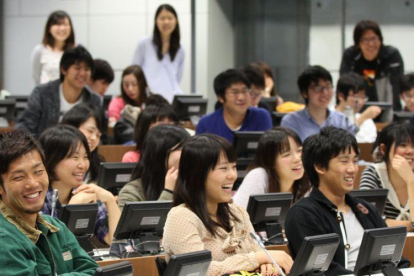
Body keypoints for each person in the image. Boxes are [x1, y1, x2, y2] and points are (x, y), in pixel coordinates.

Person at [285, 126, 410, 275]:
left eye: (355, 161)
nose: (352, 169)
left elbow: (395, 259)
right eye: (344, 161)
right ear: (320, 167)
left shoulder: (365, 209)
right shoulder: (303, 214)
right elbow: (323, 270)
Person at [162, 134, 293, 276]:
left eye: (234, 167)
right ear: (197, 174)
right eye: (223, 168)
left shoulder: (238, 212)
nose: (232, 175)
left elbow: (259, 253)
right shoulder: (181, 217)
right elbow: (199, 270)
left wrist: (267, 265)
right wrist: (257, 259)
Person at [0, 129, 98, 275]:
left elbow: (93, 270)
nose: (33, 184)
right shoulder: (3, 239)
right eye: (19, 177)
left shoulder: (56, 227)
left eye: (38, 171)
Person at [39, 125, 120, 245]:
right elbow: (50, 248)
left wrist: (109, 200)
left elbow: (115, 241)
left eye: (86, 157)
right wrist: (73, 209)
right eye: (75, 157)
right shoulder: (37, 198)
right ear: (52, 160)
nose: (82, 165)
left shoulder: (85, 193)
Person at [17, 45, 101, 137]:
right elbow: (24, 127)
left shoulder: (94, 100)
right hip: (43, 148)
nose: (82, 73)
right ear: (64, 69)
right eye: (77, 68)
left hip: (80, 150)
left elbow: (98, 133)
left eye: (87, 69)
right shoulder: (42, 94)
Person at [233, 127, 310, 209]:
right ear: (271, 161)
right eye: (287, 154)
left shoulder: (308, 180)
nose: (297, 158)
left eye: (299, 151)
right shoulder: (258, 176)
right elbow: (238, 217)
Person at [118, 125, 190, 211]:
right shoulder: (131, 192)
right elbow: (149, 224)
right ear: (160, 153)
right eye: (182, 149)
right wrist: (169, 192)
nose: (188, 153)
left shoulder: (189, 184)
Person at [359, 121, 414, 230]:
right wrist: (410, 225)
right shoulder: (373, 173)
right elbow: (367, 220)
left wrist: (410, 181)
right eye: (403, 145)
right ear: (384, 149)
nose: (410, 151)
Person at [281, 65, 358, 142]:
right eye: (317, 88)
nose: (324, 93)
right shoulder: (291, 121)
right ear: (304, 93)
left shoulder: (341, 120)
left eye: (328, 87)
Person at [340, 20, 404, 110]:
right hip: (357, 108)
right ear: (358, 43)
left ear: (380, 39)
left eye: (374, 38)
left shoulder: (391, 55)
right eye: (365, 40)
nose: (371, 44)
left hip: (388, 107)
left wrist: (395, 115)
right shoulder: (351, 55)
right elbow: (343, 85)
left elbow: (397, 86)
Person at [196, 69, 273, 143]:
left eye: (244, 91)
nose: (241, 97)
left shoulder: (261, 117)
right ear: (220, 97)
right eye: (235, 92)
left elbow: (268, 152)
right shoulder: (206, 124)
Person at [132, 4, 184, 103]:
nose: (166, 22)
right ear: (156, 21)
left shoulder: (181, 48)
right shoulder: (144, 43)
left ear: (176, 21)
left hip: (171, 100)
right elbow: (134, 71)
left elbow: (177, 78)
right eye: (162, 18)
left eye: (170, 18)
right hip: (148, 99)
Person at [61, 103, 105, 183]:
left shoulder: (98, 164)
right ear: (72, 127)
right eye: (90, 131)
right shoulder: (57, 159)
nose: (94, 138)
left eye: (98, 135)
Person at [31, 10, 75, 85]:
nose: (62, 28)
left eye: (65, 24)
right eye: (57, 24)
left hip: (69, 95)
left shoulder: (76, 51)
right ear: (49, 28)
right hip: (45, 94)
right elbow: (36, 77)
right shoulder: (40, 50)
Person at [335, 72, 381, 143]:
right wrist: (362, 118)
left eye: (363, 97)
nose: (360, 102)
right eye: (356, 97)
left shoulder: (367, 121)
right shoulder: (329, 117)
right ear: (341, 96)